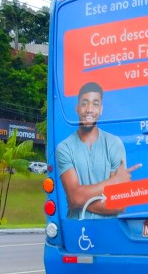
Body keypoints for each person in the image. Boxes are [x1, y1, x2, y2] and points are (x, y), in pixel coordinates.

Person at [57, 82, 140, 218]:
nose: (89, 109)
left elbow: (119, 204)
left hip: (107, 228)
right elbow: (74, 197)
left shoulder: (114, 143)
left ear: (101, 109)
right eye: (84, 103)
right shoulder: (65, 148)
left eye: (95, 104)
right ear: (77, 108)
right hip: (77, 229)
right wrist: (112, 182)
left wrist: (78, 200)